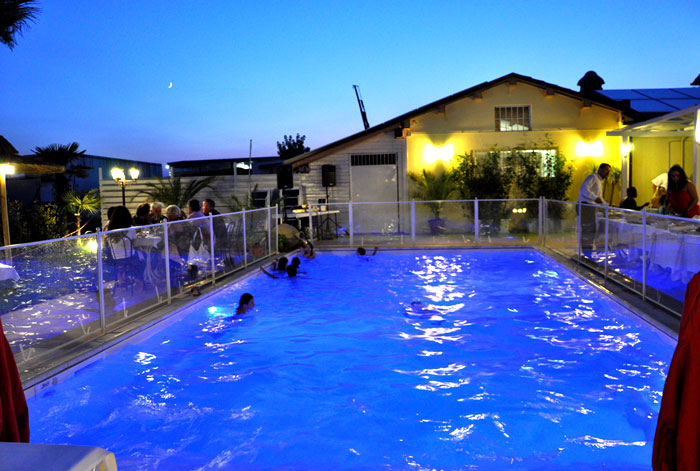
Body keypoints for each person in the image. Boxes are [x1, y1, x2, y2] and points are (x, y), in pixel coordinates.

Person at [578, 163, 610, 253]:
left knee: (591, 229)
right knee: (588, 229)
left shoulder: (599, 181)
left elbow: (599, 197)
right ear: (600, 169)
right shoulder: (593, 177)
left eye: (609, 171)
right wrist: (594, 198)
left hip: (590, 207)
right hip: (585, 206)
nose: (607, 173)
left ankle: (588, 251)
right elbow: (583, 189)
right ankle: (586, 253)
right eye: (606, 170)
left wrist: (606, 207)